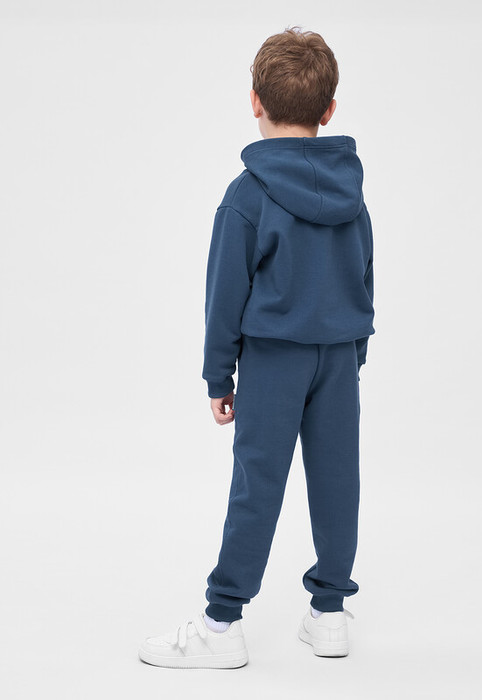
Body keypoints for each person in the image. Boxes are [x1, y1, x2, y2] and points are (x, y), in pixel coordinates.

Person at [138, 25, 375, 669]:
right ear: (329, 110)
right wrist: (353, 352)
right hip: (337, 355)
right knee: (338, 481)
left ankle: (222, 622)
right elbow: (362, 274)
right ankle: (329, 614)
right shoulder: (353, 193)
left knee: (257, 484)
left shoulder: (247, 194)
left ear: (254, 101)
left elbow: (226, 292)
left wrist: (219, 377)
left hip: (274, 359)